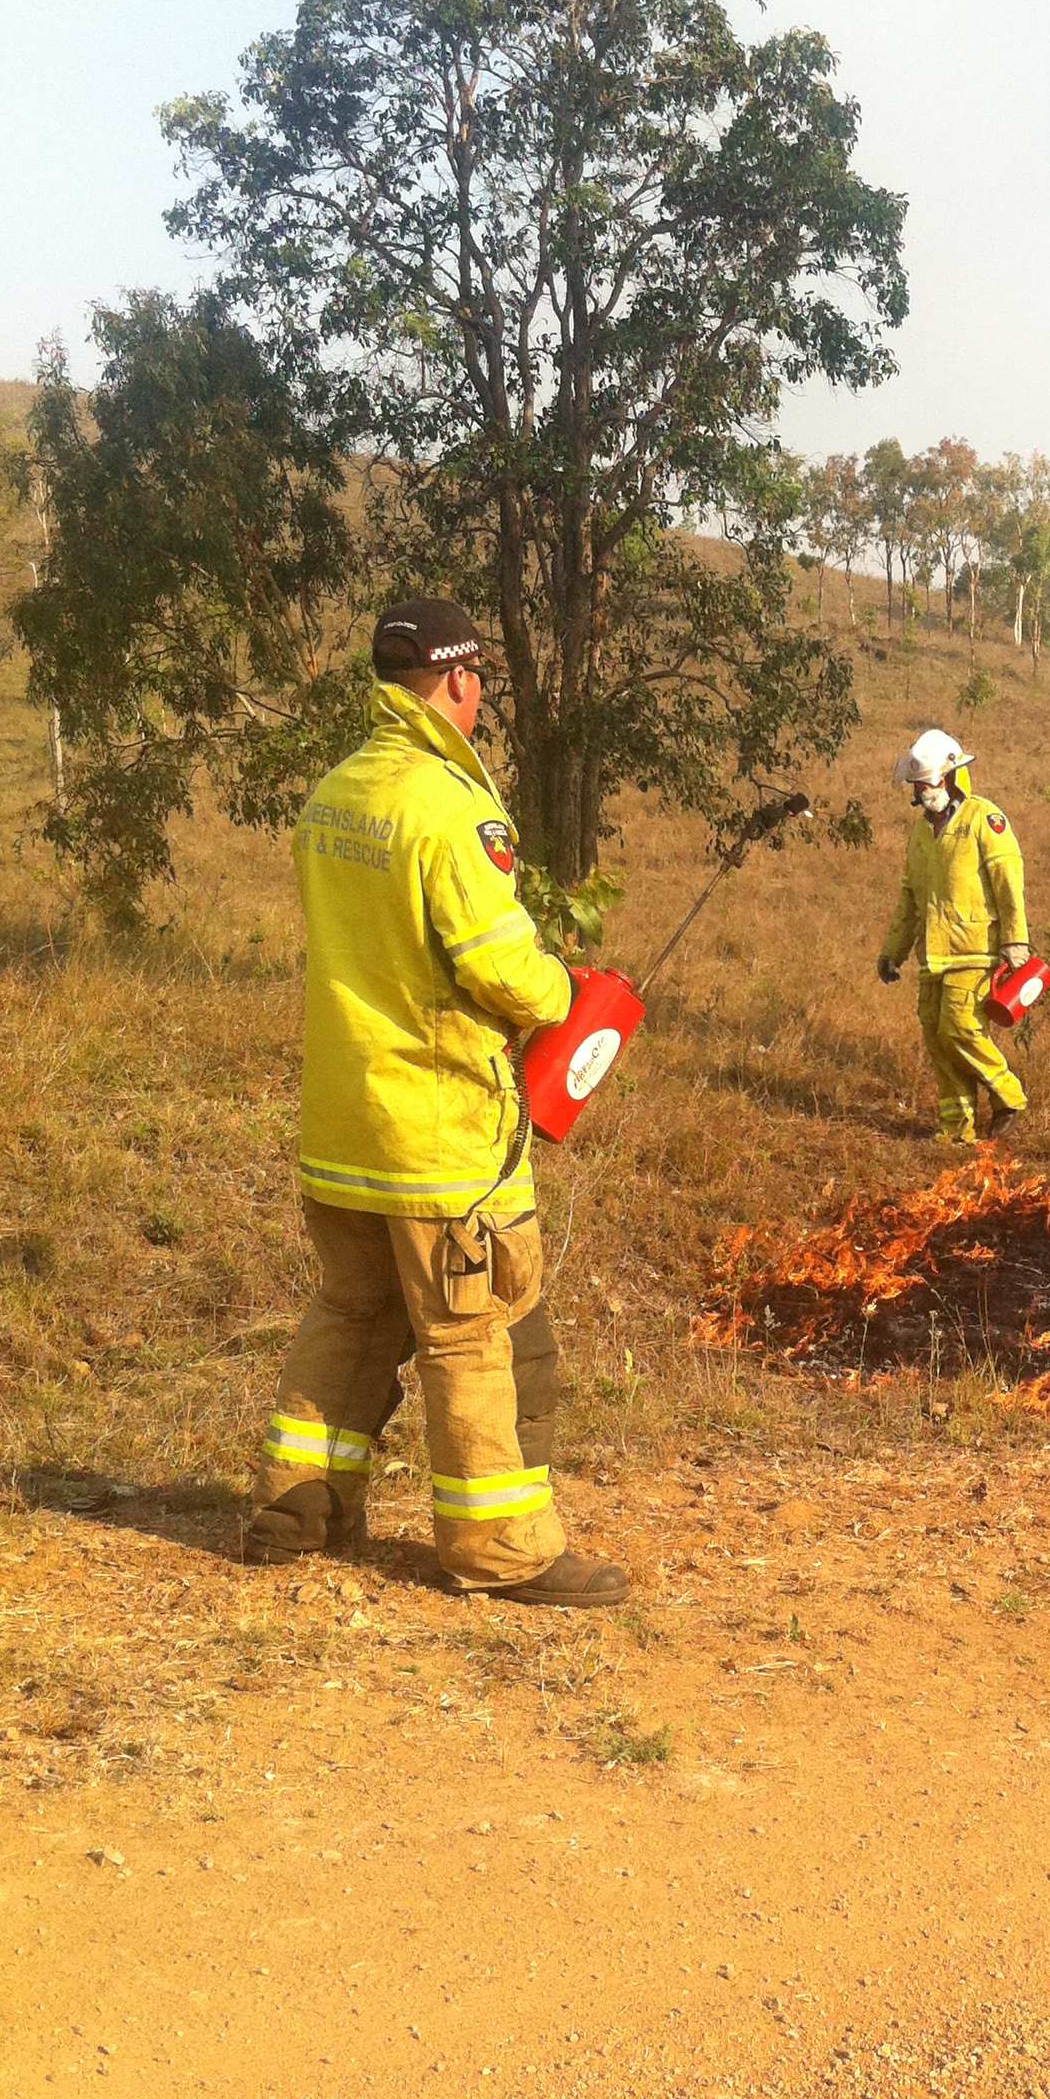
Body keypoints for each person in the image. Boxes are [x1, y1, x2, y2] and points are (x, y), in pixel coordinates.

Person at [247, 598, 629, 1607]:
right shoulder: (451, 809)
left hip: (343, 1127)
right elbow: (499, 966)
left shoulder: (333, 794)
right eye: (480, 683)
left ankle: (297, 1505)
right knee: (474, 1329)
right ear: (460, 680)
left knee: (351, 1309)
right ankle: (501, 1549)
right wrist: (565, 995)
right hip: (439, 1136)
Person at [877, 727, 1031, 1146]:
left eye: (928, 782)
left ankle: (1009, 1096)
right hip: (933, 954)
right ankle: (957, 1129)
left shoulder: (985, 819)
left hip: (975, 951)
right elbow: (910, 898)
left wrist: (1015, 940)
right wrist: (893, 952)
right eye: (918, 785)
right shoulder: (920, 833)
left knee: (959, 1027)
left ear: (950, 777)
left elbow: (1008, 881)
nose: (922, 791)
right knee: (935, 1035)